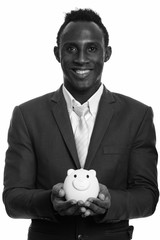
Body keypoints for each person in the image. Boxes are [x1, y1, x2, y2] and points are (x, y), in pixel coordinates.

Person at [3, 8, 159, 240]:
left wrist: (110, 203)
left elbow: (147, 197)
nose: (81, 58)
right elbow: (13, 199)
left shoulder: (137, 115)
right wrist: (50, 201)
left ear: (107, 53)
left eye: (92, 48)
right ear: (58, 53)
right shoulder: (27, 115)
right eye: (71, 48)